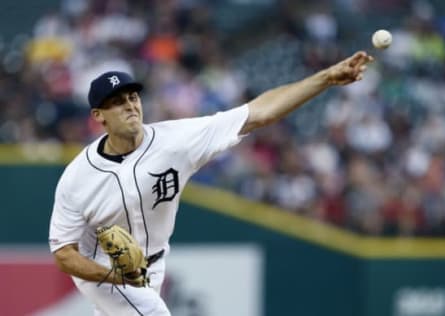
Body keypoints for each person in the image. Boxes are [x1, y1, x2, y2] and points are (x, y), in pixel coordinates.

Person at [48, 51, 373, 316]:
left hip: (154, 265)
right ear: (98, 116)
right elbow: (64, 253)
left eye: (133, 96)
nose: (130, 105)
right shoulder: (78, 178)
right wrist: (113, 275)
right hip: (103, 268)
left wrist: (326, 78)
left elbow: (258, 113)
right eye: (117, 102)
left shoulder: (176, 141)